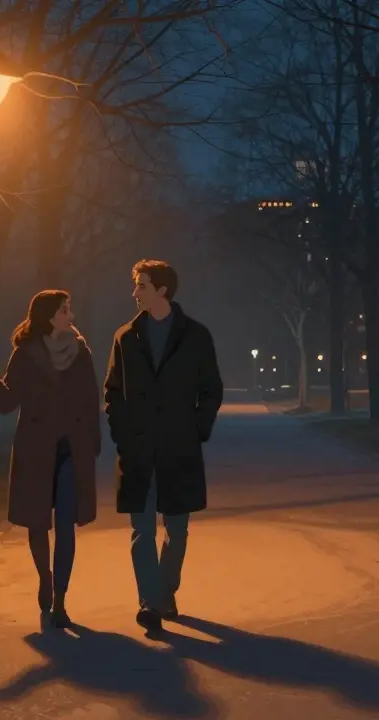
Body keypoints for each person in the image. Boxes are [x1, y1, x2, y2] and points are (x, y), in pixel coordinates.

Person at [0, 290, 100, 628]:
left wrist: (91, 444)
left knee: (66, 525)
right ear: (49, 315)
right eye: (65, 310)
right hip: (36, 447)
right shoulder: (25, 354)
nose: (71, 315)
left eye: (70, 308)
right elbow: (8, 402)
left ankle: (61, 601)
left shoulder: (81, 353)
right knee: (38, 522)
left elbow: (91, 400)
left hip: (70, 449)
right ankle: (45, 579)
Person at [104, 259, 223, 633]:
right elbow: (113, 391)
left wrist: (196, 429)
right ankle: (149, 604)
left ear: (162, 290)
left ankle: (164, 591)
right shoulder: (125, 336)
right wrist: (122, 433)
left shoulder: (195, 336)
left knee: (177, 529)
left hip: (179, 447)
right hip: (138, 449)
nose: (134, 292)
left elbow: (211, 389)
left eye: (141, 285)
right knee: (142, 530)